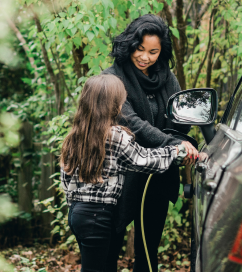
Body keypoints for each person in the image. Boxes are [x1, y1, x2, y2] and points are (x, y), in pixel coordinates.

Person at [60, 74, 189, 272]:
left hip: (76, 213)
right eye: (121, 101)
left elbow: (66, 179)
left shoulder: (74, 136)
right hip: (99, 215)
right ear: (113, 105)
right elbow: (143, 160)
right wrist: (175, 150)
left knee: (95, 265)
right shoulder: (116, 135)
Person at [102, 14, 198, 272]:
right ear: (129, 45)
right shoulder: (112, 79)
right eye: (140, 49)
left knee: (148, 248)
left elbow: (180, 122)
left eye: (153, 52)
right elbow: (132, 123)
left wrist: (182, 142)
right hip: (119, 177)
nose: (145, 57)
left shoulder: (167, 77)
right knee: (110, 247)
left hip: (159, 174)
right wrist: (172, 144)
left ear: (161, 52)